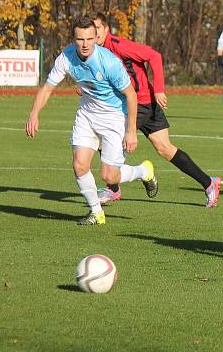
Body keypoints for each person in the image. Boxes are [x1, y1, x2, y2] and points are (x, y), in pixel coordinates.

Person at [25, 16, 158, 226]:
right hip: (87, 114)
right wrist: (34, 113)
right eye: (80, 39)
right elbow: (48, 87)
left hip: (114, 117)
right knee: (79, 165)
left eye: (89, 38)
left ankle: (144, 171)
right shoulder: (66, 57)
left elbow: (131, 95)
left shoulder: (109, 62)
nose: (85, 44)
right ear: (74, 39)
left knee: (110, 176)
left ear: (96, 37)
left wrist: (131, 131)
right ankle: (96, 212)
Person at [92, 13, 223, 208]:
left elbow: (154, 56)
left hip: (140, 103)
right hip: (137, 103)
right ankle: (209, 183)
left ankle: (113, 189)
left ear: (106, 29)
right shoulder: (96, 51)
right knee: (165, 148)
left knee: (107, 140)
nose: (94, 34)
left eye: (97, 30)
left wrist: (159, 88)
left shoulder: (118, 45)